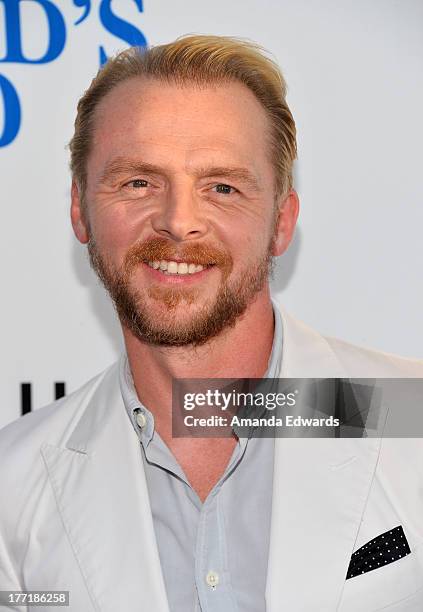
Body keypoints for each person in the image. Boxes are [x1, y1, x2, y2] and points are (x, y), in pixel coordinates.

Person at [0, 35, 422, 612]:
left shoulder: (408, 418)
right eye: (138, 183)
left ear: (281, 221)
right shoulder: (12, 485)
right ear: (80, 209)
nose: (178, 222)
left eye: (221, 188)